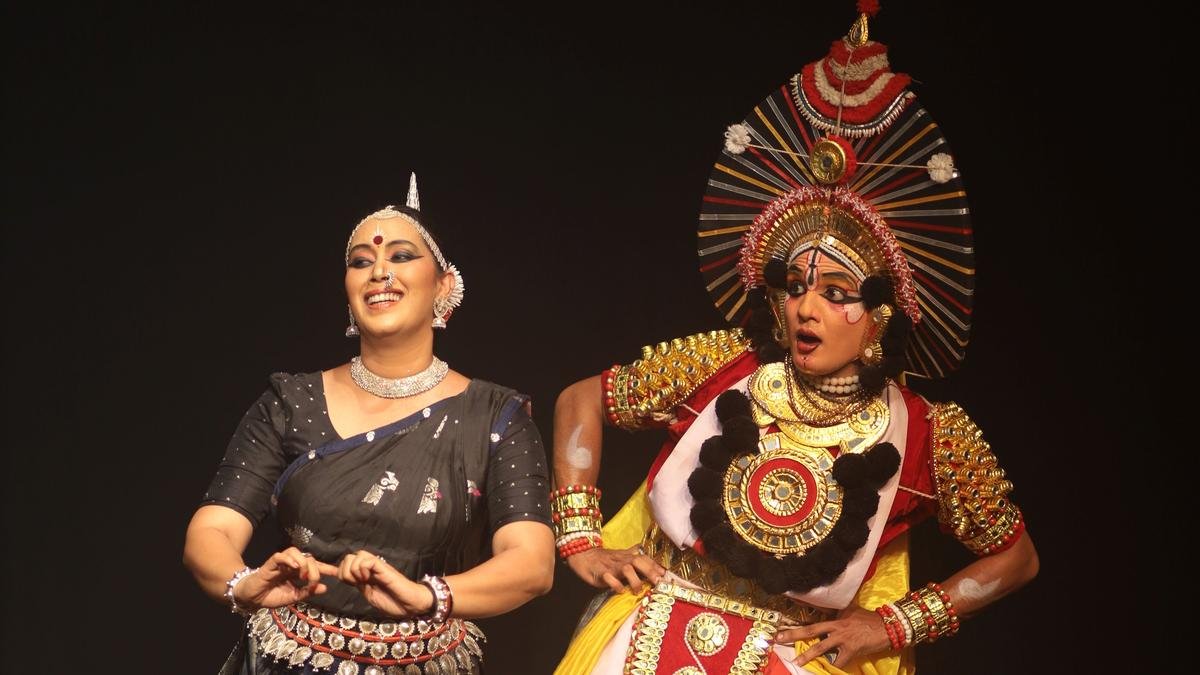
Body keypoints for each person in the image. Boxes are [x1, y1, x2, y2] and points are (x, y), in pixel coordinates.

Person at [550, 4, 1037, 674]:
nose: (806, 307)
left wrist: (894, 624)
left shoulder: (927, 434)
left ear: (879, 318)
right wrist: (580, 538)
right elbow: (583, 398)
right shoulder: (721, 364)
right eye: (795, 286)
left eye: (836, 293)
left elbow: (1016, 557)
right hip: (648, 637)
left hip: (794, 656)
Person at [183, 174, 555, 675]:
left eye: (401, 256)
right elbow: (211, 530)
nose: (379, 271)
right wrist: (243, 584)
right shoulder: (291, 402)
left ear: (444, 284)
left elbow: (531, 563)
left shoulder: (495, 417)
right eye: (361, 262)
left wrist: (427, 596)